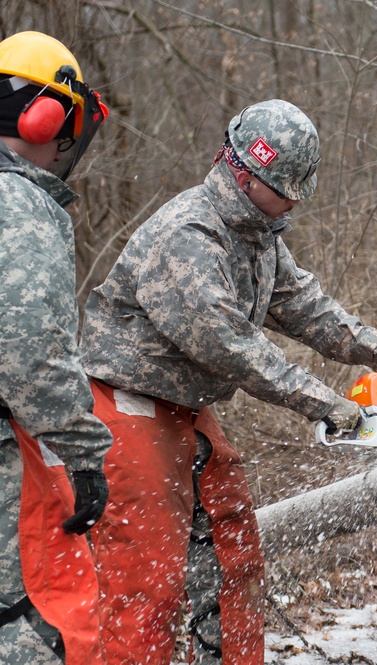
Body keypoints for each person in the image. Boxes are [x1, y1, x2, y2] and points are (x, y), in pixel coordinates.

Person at [81, 99, 377, 664]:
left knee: (233, 549)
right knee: (147, 579)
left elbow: (308, 307)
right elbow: (230, 346)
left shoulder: (258, 235)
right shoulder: (188, 236)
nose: (293, 200)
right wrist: (322, 402)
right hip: (128, 409)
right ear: (245, 172)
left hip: (189, 412)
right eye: (285, 188)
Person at [0, 31, 112, 665]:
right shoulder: (18, 203)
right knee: (36, 619)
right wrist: (83, 451)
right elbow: (32, 349)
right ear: (44, 117)